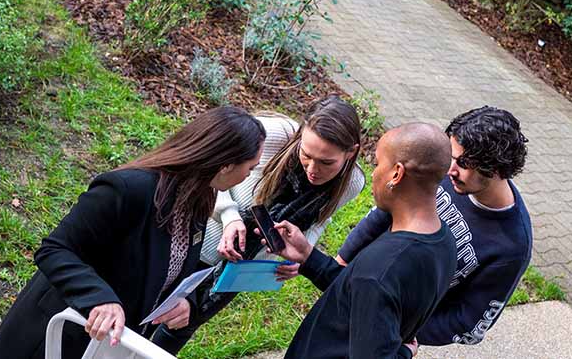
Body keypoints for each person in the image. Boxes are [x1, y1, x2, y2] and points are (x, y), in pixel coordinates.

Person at [0, 106, 266, 359]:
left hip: (103, 345)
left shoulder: (199, 198)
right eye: (250, 168)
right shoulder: (127, 189)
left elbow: (176, 266)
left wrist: (185, 302)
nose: (248, 176)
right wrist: (100, 298)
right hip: (51, 337)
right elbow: (55, 249)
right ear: (226, 164)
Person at [151, 95, 366, 354]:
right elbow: (207, 171)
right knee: (151, 309)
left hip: (241, 267)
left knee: (182, 326)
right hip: (199, 240)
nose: (312, 169)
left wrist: (301, 255)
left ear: (351, 152)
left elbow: (322, 218)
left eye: (327, 162)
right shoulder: (272, 134)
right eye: (306, 155)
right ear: (299, 134)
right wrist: (229, 217)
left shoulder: (352, 183)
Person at [337, 106, 533, 347]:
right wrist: (343, 259)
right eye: (452, 156)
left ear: (496, 170)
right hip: (359, 284)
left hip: (392, 332)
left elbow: (467, 320)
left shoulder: (512, 247)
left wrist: (402, 331)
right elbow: (387, 210)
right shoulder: (445, 171)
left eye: (463, 163)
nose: (450, 169)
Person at [270, 122, 457, 359]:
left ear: (396, 173)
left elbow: (371, 284)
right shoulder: (444, 242)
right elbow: (361, 297)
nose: (374, 173)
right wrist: (309, 256)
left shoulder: (380, 269)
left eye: (378, 164)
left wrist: (402, 354)